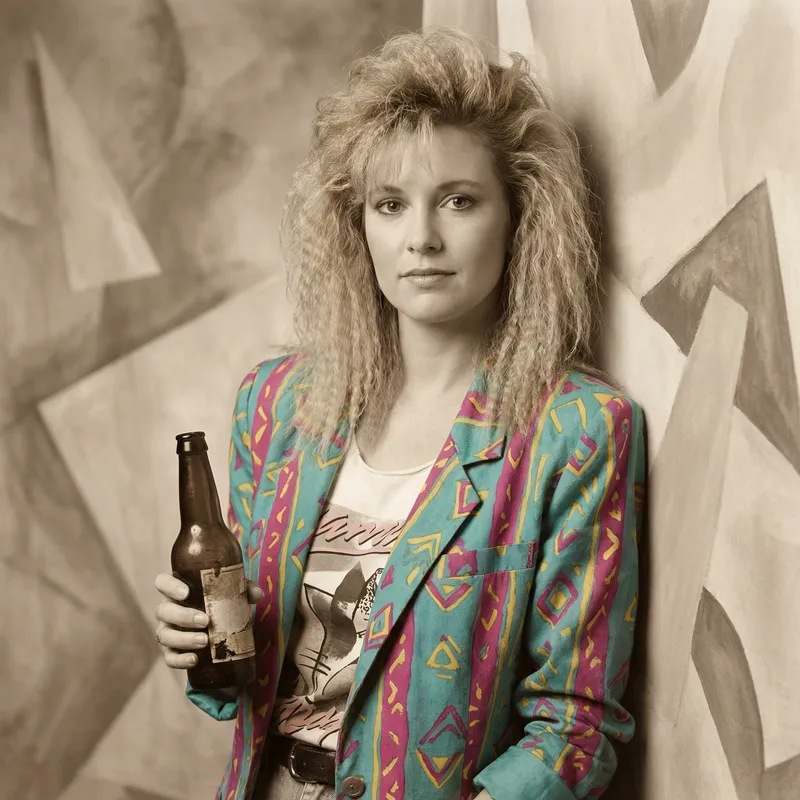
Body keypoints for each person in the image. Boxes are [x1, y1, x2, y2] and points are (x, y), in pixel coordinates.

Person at [154, 26, 645, 800]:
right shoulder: (278, 403)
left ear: (519, 215)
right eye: (390, 204)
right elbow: (242, 678)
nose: (421, 238)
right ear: (358, 225)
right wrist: (204, 648)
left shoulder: (575, 432)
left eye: (458, 200)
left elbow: (576, 728)